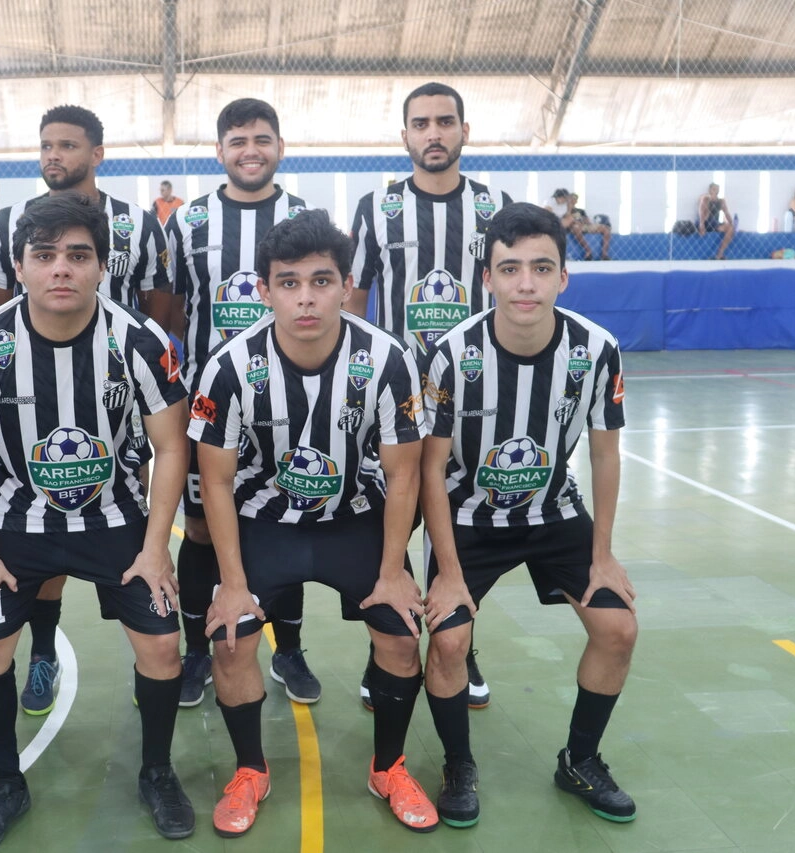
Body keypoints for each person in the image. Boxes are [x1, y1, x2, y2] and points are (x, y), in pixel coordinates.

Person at [0, 194, 195, 850]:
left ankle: (157, 770)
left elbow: (171, 445)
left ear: (102, 266)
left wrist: (159, 545)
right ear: (18, 266)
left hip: (117, 518)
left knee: (164, 646)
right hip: (14, 521)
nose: (61, 270)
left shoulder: (138, 340)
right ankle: (4, 781)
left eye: (78, 256)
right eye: (44, 256)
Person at [191, 210, 437, 836]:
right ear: (265, 290)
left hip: (354, 519)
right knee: (231, 639)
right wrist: (232, 581)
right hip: (263, 521)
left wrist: (392, 571)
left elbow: (403, 475)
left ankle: (389, 766)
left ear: (348, 286)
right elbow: (215, 481)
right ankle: (250, 770)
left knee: (403, 635)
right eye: (290, 282)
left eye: (322, 281)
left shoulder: (387, 359)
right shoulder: (228, 366)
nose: (306, 297)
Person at [419, 202, 637, 828]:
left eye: (541, 268)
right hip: (466, 515)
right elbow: (431, 469)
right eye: (509, 268)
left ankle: (581, 759)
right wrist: (449, 572)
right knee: (451, 638)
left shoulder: (596, 349)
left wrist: (602, 555)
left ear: (563, 277)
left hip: (553, 509)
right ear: (485, 278)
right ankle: (458, 764)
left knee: (618, 628)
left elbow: (605, 452)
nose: (525, 283)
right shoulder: (451, 354)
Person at [0, 104, 172, 716]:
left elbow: (160, 306)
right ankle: (42, 653)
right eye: (45, 146)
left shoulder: (138, 225)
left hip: (117, 407)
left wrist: (134, 379)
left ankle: (156, 647)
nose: (53, 156)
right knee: (46, 517)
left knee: (112, 525)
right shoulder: (12, 222)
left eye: (67, 145)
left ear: (96, 152)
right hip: (34, 404)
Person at [350, 81, 508, 712]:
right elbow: (357, 301)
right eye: (422, 123)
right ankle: (384, 646)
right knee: (396, 519)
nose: (434, 133)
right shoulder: (376, 208)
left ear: (464, 131)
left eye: (446, 122)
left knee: (460, 518)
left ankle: (458, 644)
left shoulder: (495, 206)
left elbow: (509, 292)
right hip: (398, 397)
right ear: (406, 135)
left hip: (473, 393)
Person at [166, 97, 319, 707]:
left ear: (280, 146)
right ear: (220, 151)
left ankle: (289, 649)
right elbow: (175, 308)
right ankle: (197, 652)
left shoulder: (306, 215)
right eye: (237, 140)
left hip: (295, 402)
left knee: (287, 517)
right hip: (212, 405)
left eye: (261, 138)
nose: (249, 150)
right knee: (201, 528)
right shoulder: (188, 221)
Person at [544, 188, 596, 260]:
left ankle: (588, 251)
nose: (565, 200)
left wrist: (569, 208)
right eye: (564, 198)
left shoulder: (566, 204)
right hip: (551, 221)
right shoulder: (550, 202)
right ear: (559, 197)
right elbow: (547, 214)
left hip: (562, 223)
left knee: (574, 223)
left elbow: (568, 216)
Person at [697, 183, 736, 260]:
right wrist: (702, 225)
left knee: (730, 228)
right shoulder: (705, 199)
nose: (716, 191)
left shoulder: (721, 201)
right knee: (705, 202)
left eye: (717, 189)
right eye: (714, 189)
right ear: (710, 190)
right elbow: (701, 212)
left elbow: (726, 213)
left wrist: (732, 224)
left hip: (715, 223)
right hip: (705, 221)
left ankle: (720, 253)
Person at [569, 193, 612, 260]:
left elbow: (587, 221)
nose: (573, 200)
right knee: (576, 227)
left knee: (606, 229)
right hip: (575, 227)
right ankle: (588, 251)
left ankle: (604, 254)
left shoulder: (581, 211)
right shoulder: (565, 211)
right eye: (572, 198)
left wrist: (585, 222)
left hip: (584, 226)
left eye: (575, 199)